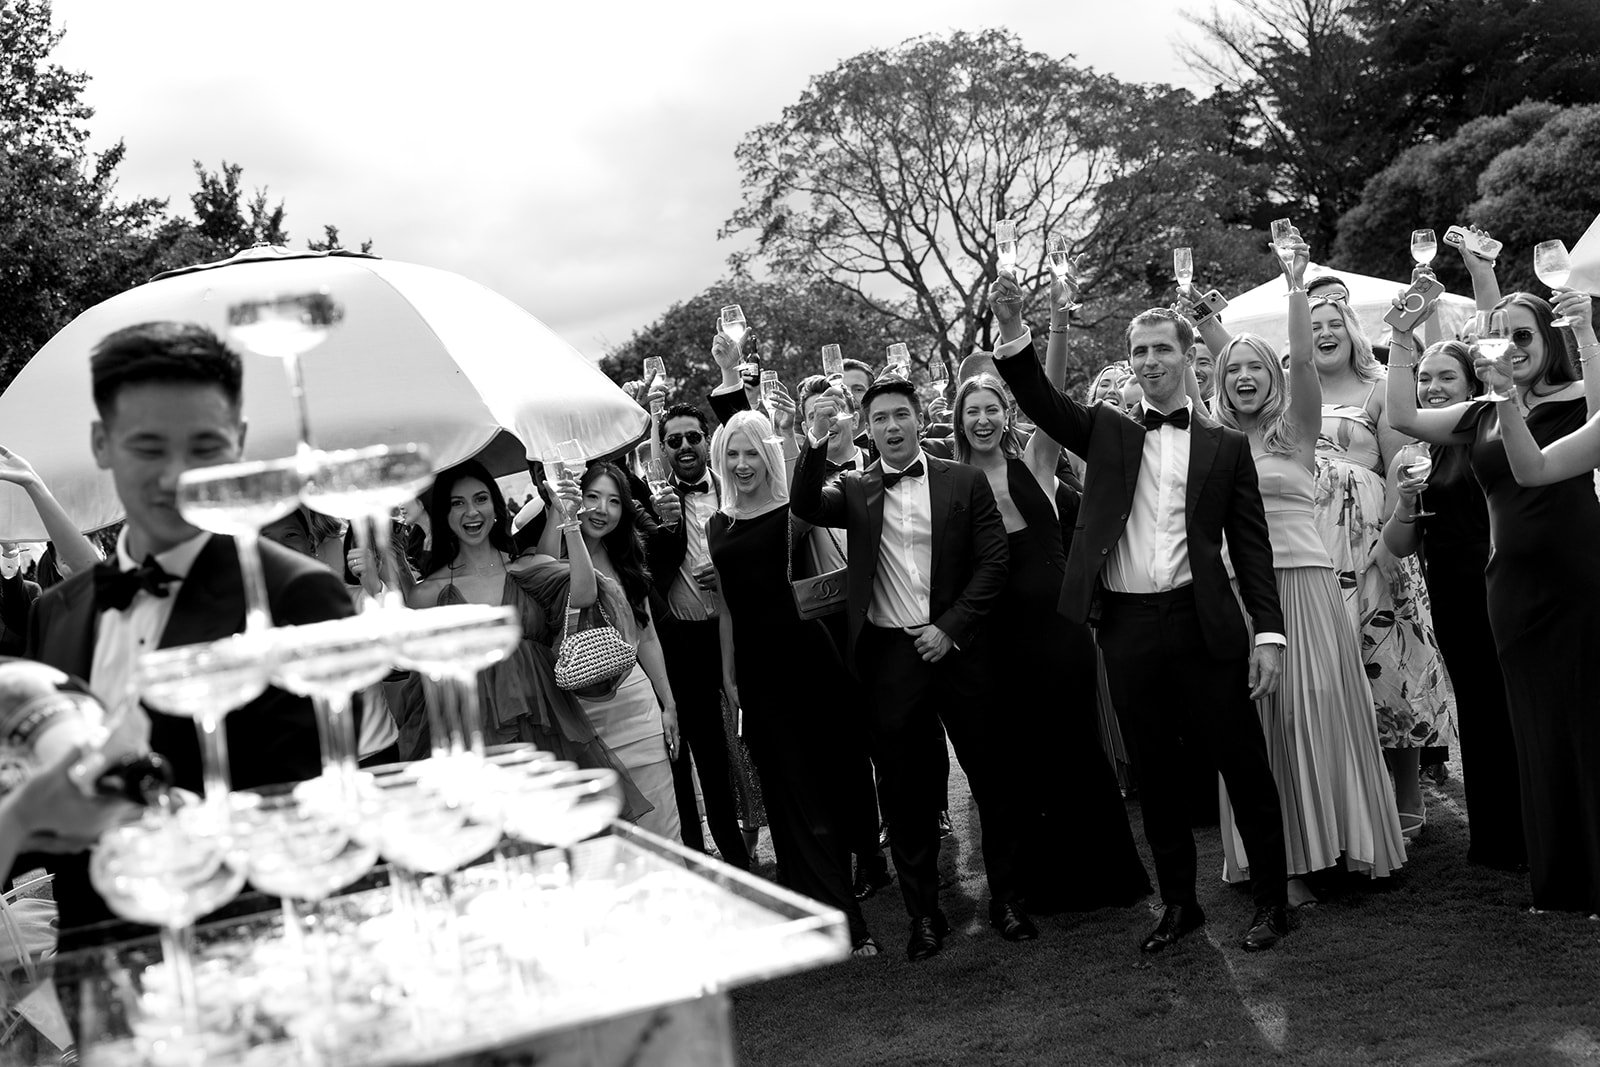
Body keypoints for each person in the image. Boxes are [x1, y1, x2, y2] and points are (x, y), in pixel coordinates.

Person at [22, 321, 355, 942]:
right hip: (97, 960)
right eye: (148, 448)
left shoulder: (295, 593)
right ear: (102, 443)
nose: (177, 475)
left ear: (239, 442)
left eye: (204, 447)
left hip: (252, 947)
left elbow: (310, 815)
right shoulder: (56, 611)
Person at [990, 288, 1291, 954]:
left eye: (1161, 349)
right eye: (1138, 352)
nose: (1149, 361)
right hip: (1126, 625)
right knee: (1155, 773)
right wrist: (1013, 329)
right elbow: (1039, 398)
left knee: (1243, 763)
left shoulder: (1225, 445)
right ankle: (1181, 905)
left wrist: (1268, 635)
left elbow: (1252, 549)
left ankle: (1274, 900)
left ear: (1189, 357)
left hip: (1202, 620)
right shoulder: (1106, 428)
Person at [790, 377, 1023, 961]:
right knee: (906, 793)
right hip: (892, 661)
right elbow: (803, 505)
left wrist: (951, 628)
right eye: (880, 419)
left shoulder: (963, 480)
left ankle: (1008, 901)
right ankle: (924, 916)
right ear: (865, 428)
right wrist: (815, 440)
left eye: (901, 415)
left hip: (960, 648)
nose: (892, 427)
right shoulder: (855, 487)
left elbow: (995, 563)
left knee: (993, 779)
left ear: (920, 418)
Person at [1388, 276, 1600, 915]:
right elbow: (1402, 416)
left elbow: (1541, 464)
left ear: (1550, 339)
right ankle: (1555, 872)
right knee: (1530, 726)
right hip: (1508, 584)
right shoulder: (1482, 411)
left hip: (1581, 577)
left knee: (1588, 722)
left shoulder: (1584, 395)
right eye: (1498, 336)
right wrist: (1399, 339)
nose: (1510, 345)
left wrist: (1587, 330)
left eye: (1523, 335)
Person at [1208, 235, 1405, 907]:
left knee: (1325, 713)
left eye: (1255, 366)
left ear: (1275, 374)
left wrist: (1295, 286)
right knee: (1265, 726)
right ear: (1220, 381)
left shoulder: (1296, 430)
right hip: (1246, 599)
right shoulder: (1217, 442)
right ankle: (1280, 861)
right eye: (1232, 368)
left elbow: (1311, 374)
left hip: (1312, 588)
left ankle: (1346, 845)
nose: (1244, 376)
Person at [952, 276, 1151, 914]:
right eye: (972, 411)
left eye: (993, 409)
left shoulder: (1035, 460)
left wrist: (1045, 325)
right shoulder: (949, 483)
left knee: (1075, 744)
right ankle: (1043, 883)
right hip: (997, 634)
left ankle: (1108, 877)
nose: (983, 419)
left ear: (1007, 417)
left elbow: (1050, 390)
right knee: (1024, 756)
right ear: (957, 422)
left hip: (1058, 628)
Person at [707, 408, 877, 956]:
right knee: (787, 795)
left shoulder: (790, 514)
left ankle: (851, 919)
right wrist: (730, 677)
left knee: (830, 784)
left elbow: (810, 489)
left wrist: (810, 436)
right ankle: (816, 911)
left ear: (768, 454)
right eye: (732, 454)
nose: (741, 463)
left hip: (809, 660)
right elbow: (728, 608)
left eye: (751, 452)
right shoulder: (716, 524)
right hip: (757, 676)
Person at [394, 460, 652, 812]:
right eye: (458, 503)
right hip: (477, 736)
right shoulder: (427, 594)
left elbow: (585, 593)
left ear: (496, 508)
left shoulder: (524, 568)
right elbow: (418, 671)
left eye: (481, 499)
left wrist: (569, 519)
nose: (472, 512)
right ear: (444, 514)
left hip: (546, 723)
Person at [1306, 296, 1455, 835]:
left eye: (1333, 325)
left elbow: (1404, 462)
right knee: (1328, 668)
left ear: (1349, 331)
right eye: (1313, 325)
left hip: (1373, 540)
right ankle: (1347, 795)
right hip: (1311, 544)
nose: (1324, 333)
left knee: (1389, 663)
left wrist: (1393, 544)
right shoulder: (1291, 392)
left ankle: (1409, 791)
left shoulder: (1376, 390)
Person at [1379, 338, 1523, 871]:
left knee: (1516, 708)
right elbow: (1395, 547)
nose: (1433, 389)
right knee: (1481, 712)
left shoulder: (1492, 432)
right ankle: (1496, 840)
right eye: (1425, 379)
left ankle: (1537, 830)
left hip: (1502, 587)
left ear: (1472, 386)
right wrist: (1407, 503)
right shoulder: (1412, 455)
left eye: (1446, 379)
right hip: (1452, 598)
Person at [639, 401, 751, 870]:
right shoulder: (650, 505)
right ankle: (696, 851)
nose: (685, 446)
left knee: (739, 746)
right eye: (674, 440)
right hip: (680, 645)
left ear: (708, 440)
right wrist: (664, 526)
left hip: (733, 634)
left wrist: (727, 570)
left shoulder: (736, 491)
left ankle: (742, 854)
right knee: (687, 753)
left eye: (692, 437)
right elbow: (646, 574)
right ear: (662, 451)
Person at [569, 462, 683, 842]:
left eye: (614, 501)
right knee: (613, 841)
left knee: (662, 829)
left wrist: (668, 704)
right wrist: (562, 517)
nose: (603, 509)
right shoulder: (552, 557)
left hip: (637, 707)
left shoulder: (626, 559)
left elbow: (647, 637)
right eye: (593, 497)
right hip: (582, 714)